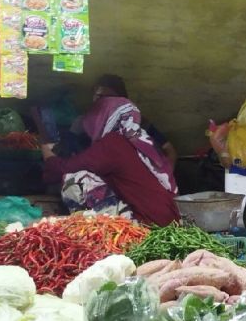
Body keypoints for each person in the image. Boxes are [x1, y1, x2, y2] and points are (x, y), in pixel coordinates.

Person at [41, 96, 180, 226]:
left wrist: (47, 152)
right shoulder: (144, 141)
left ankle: (112, 233)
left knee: (75, 178)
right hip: (172, 220)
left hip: (148, 223)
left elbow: (66, 168)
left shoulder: (114, 143)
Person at [91, 74, 178, 167]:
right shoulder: (87, 125)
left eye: (108, 97)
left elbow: (169, 151)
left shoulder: (137, 122)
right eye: (98, 96)